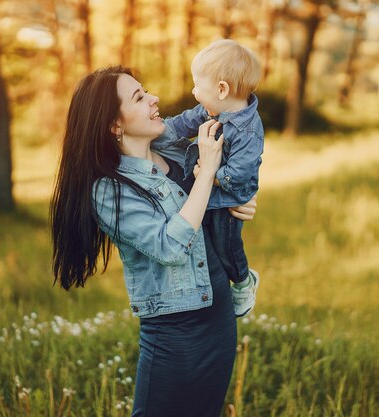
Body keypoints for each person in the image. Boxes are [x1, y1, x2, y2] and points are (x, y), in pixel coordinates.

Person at [50, 66, 257, 417]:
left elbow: (205, 214)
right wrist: (207, 172)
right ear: (115, 125)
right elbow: (170, 247)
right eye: (139, 97)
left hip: (218, 313)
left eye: (146, 91)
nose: (154, 99)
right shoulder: (109, 190)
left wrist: (237, 200)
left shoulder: (173, 150)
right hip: (176, 332)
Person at [157, 39, 264, 317]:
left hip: (228, 197)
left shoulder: (248, 131)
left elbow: (240, 173)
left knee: (226, 244)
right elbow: (182, 123)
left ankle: (243, 282)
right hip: (209, 191)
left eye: (197, 85)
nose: (193, 91)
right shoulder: (212, 109)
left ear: (221, 89)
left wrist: (210, 174)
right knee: (207, 241)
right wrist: (157, 133)